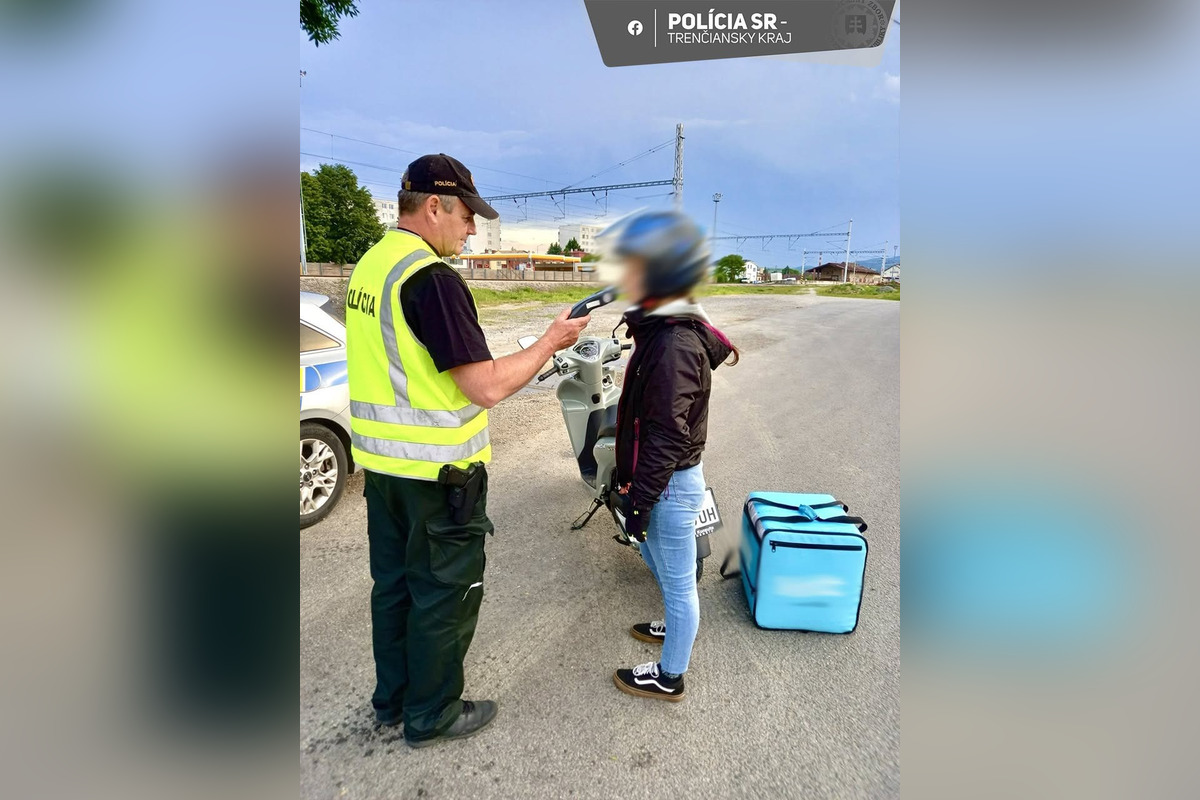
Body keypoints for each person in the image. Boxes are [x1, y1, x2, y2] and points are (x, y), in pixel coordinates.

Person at [344, 153, 590, 747]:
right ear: (434, 205)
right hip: (438, 475)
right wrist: (551, 342)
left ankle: (395, 700)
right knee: (445, 597)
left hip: (382, 470)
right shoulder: (431, 278)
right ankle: (432, 714)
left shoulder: (371, 266)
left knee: (396, 588)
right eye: (467, 215)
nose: (473, 228)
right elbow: (485, 386)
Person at [607, 211, 738, 701]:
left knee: (681, 581)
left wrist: (639, 501)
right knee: (655, 556)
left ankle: (670, 675)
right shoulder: (660, 329)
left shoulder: (675, 343)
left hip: (670, 483)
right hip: (663, 479)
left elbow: (665, 436)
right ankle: (672, 627)